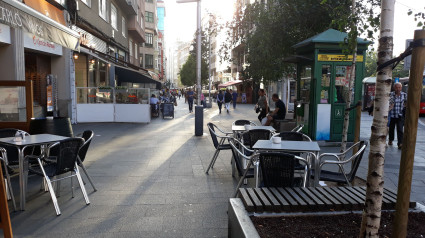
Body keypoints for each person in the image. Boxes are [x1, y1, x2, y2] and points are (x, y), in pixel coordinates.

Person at [388, 82, 407, 149]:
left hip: (400, 115)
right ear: (394, 88)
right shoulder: (390, 95)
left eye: (399, 87)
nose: (398, 89)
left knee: (400, 129)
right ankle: (390, 139)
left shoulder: (404, 95)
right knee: (391, 129)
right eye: (396, 87)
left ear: (401, 88)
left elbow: (406, 103)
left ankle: (400, 143)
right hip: (392, 115)